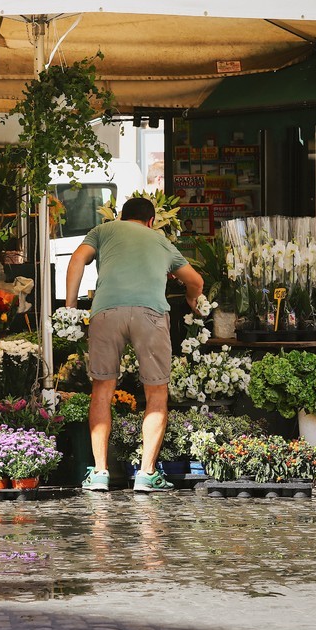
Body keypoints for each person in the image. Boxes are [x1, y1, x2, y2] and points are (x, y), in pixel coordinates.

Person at [65, 196, 204, 492]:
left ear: (120, 216)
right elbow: (196, 281)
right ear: (151, 221)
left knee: (102, 388)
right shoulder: (160, 241)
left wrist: (70, 305)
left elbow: (77, 259)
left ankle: (100, 473)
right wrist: (192, 298)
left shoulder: (103, 231)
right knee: (156, 391)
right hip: (150, 314)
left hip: (106, 312)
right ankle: (146, 474)